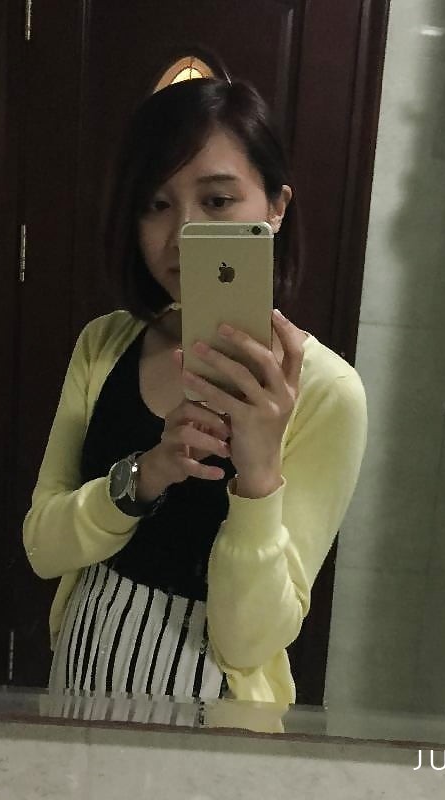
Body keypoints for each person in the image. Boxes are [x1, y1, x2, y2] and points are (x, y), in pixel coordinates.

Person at [23, 77, 367, 707]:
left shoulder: (328, 392)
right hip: (79, 674)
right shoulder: (105, 344)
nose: (182, 232)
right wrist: (146, 474)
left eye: (216, 200)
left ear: (276, 208)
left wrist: (257, 474)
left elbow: (248, 640)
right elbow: (43, 547)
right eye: (155, 204)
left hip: (215, 708)